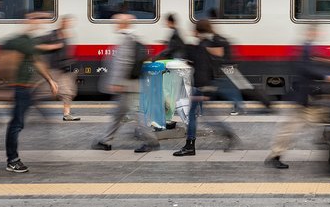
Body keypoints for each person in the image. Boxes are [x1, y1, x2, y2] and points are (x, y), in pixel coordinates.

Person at [264, 25, 330, 169]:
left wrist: (329, 69)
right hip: (301, 98)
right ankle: (274, 156)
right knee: (290, 127)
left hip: (310, 98)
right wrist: (329, 76)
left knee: (329, 121)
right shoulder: (304, 48)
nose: (319, 33)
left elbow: (313, 65)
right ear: (310, 32)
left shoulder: (308, 47)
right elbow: (306, 68)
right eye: (316, 31)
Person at [92, 13, 160, 153]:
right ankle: (106, 140)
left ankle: (151, 141)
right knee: (118, 114)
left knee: (137, 114)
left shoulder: (126, 39)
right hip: (130, 83)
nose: (115, 24)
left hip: (127, 84)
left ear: (123, 24)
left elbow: (123, 62)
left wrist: (117, 82)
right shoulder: (132, 38)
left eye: (117, 22)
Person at [173, 20, 241, 157]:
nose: (192, 32)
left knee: (195, 115)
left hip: (200, 86)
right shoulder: (211, 44)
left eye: (194, 30)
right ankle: (227, 135)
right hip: (207, 84)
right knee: (203, 116)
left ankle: (190, 146)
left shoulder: (200, 47)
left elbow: (198, 65)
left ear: (197, 31)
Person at [5, 13, 58, 173]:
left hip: (27, 88)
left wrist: (50, 80)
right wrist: (10, 86)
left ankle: (12, 159)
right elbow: (13, 64)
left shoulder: (29, 41)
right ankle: (12, 160)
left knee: (17, 123)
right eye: (35, 19)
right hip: (19, 87)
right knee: (16, 124)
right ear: (26, 21)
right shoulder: (19, 41)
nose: (38, 23)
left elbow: (36, 62)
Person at [34, 15, 80, 121]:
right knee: (45, 91)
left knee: (68, 92)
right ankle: (29, 104)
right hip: (53, 68)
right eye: (66, 22)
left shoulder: (68, 36)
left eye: (69, 22)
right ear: (61, 23)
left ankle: (67, 114)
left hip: (65, 69)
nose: (67, 24)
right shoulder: (52, 35)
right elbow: (35, 44)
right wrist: (52, 47)